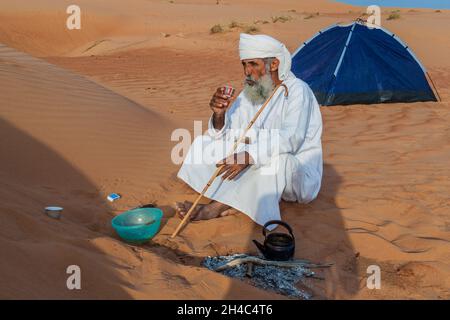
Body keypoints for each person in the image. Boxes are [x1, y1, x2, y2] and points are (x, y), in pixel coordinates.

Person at [175, 33, 323, 228]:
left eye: (253, 64)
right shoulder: (252, 91)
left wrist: (248, 155)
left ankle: (216, 207)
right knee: (204, 144)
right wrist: (219, 114)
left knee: (276, 160)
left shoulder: (298, 90)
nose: (247, 71)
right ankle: (242, 200)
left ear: (274, 64)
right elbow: (231, 134)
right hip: (253, 160)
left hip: (295, 174)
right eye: (244, 65)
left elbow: (291, 138)